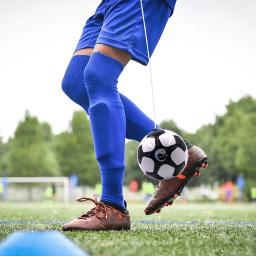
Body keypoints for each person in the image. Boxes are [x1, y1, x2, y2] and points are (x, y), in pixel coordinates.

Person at [62, 0, 208, 231]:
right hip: (106, 5)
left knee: (99, 77)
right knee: (76, 83)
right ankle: (180, 152)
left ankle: (113, 205)